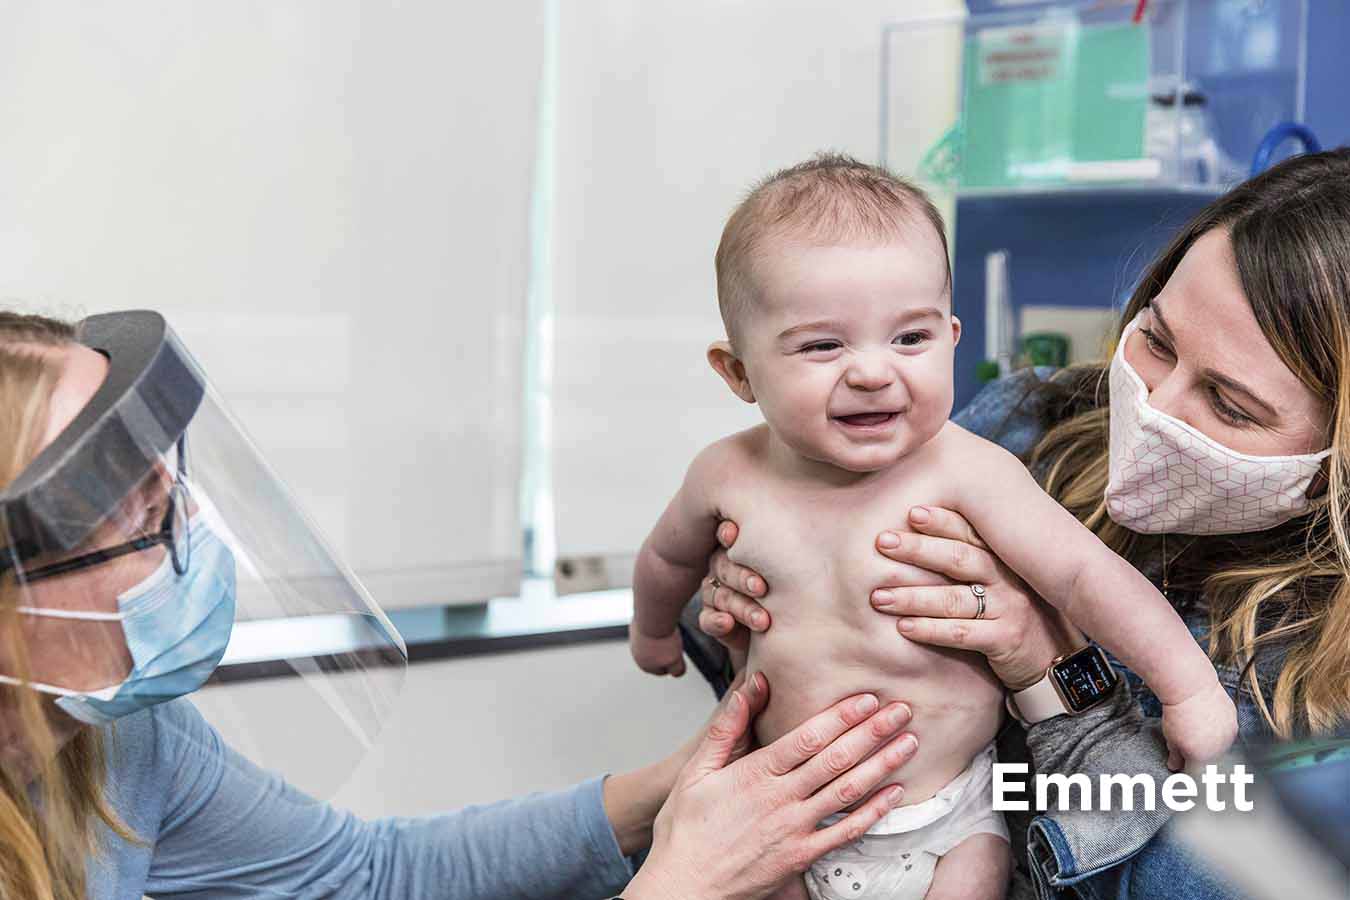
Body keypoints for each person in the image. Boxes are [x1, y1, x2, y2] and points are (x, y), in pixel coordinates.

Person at [0, 310, 924, 900]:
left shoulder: (110, 737)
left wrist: (662, 796)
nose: (189, 543)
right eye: (138, 522)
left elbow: (367, 879)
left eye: (173, 494)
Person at [692, 148, 1350, 900]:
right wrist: (752, 577)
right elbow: (739, 678)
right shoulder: (1020, 422)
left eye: (1230, 405)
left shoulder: (1315, 679)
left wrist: (1053, 678)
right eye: (1157, 340)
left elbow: (1173, 884)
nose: (1152, 405)